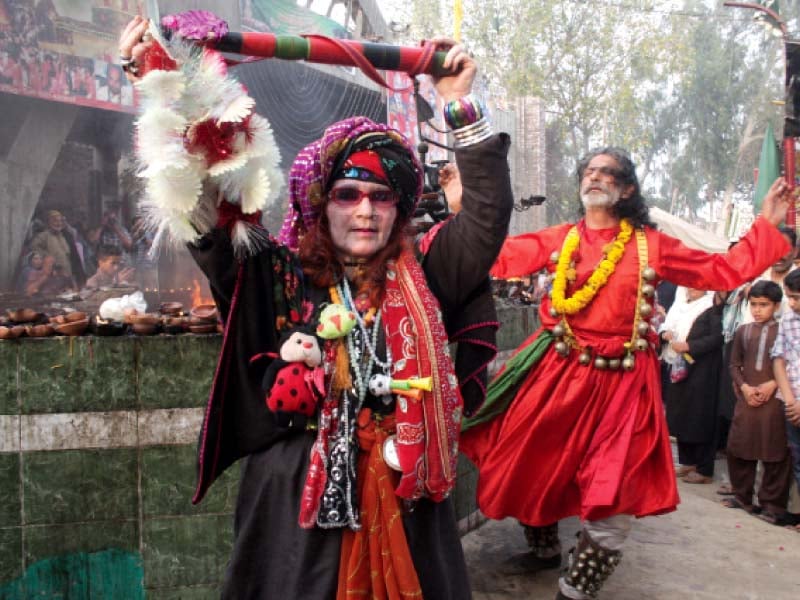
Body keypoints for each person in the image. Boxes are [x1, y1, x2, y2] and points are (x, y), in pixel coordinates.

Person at [120, 14, 512, 598]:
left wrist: (458, 102)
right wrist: (157, 78)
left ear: (399, 209)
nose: (365, 210)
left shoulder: (428, 272)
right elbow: (207, 207)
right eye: (348, 194)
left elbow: (485, 216)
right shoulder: (273, 273)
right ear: (321, 201)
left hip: (406, 498)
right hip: (297, 513)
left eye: (382, 197)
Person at [460, 147, 793, 600]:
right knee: (531, 465)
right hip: (556, 375)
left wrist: (766, 226)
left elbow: (721, 269)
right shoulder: (560, 238)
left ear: (627, 188)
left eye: (608, 172)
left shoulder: (650, 243)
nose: (595, 177)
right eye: (590, 171)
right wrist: (463, 204)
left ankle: (576, 590)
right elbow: (494, 256)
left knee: (612, 489)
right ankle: (544, 549)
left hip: (622, 385)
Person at [723, 281, 792, 521]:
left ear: (776, 305)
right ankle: (742, 497)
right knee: (740, 445)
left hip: (775, 400)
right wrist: (744, 387)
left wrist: (772, 384)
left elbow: (790, 362)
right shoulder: (744, 330)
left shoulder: (784, 330)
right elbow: (734, 364)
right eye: (753, 304)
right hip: (747, 396)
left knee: (775, 451)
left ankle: (772, 505)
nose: (757, 310)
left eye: (764, 305)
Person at [663, 288, 725, 485]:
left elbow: (717, 338)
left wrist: (690, 346)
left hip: (703, 370)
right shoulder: (681, 302)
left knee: (700, 416)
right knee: (682, 413)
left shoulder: (711, 307)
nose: (691, 289)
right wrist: (665, 333)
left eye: (697, 285)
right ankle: (688, 461)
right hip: (679, 365)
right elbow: (667, 324)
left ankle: (704, 468)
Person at [772, 269, 800, 533]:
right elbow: (778, 359)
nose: (792, 304)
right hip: (791, 402)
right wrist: (791, 399)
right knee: (798, 460)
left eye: (797, 298)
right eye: (790, 298)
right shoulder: (789, 318)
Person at [30, 209, 86, 288]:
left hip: (67, 275)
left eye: (60, 221)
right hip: (52, 276)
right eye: (55, 221)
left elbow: (73, 257)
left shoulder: (65, 236)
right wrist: (48, 258)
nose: (58, 223)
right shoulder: (43, 236)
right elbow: (34, 247)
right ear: (48, 222)